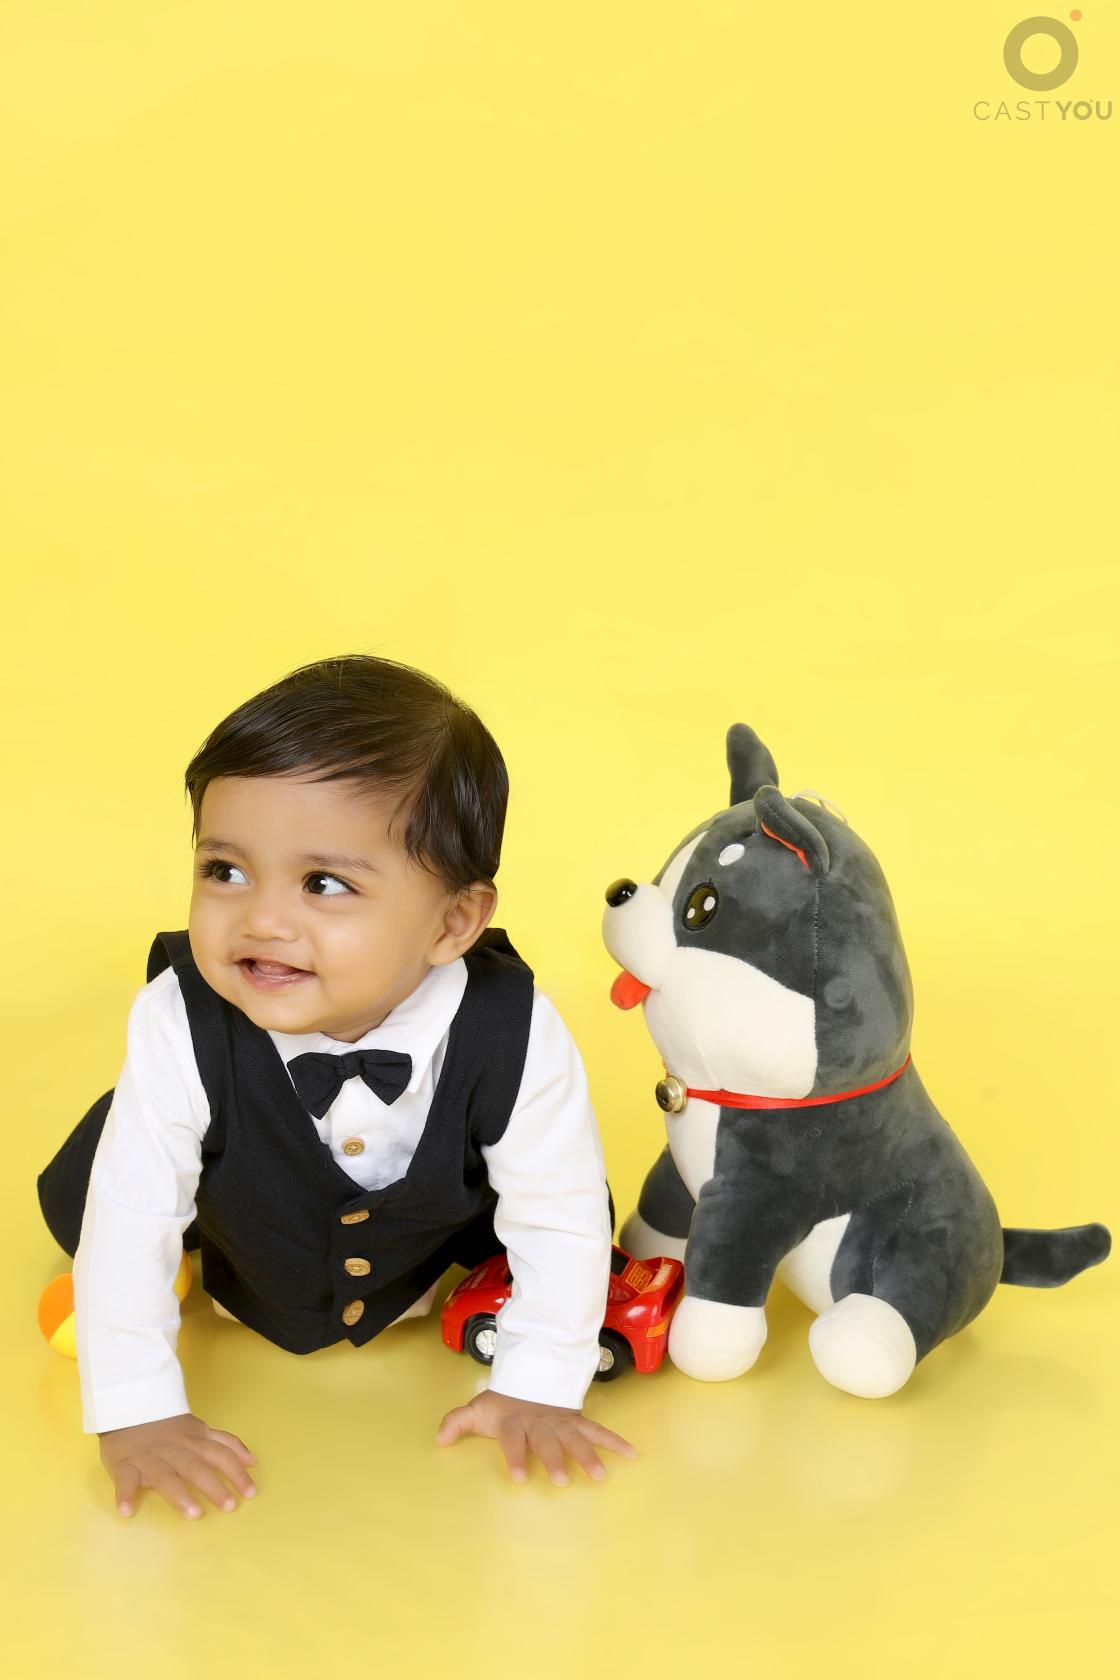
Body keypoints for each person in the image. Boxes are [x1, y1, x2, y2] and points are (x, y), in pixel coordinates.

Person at [38, 653, 635, 1518]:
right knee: (98, 1197)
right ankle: (163, 1279)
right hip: (232, 1208)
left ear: (453, 922)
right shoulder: (179, 1018)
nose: (262, 919)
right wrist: (136, 1410)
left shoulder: (514, 1028)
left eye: (324, 884)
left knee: (563, 1207)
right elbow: (132, 1218)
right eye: (225, 870)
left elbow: (558, 1212)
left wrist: (540, 1383)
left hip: (424, 1232)